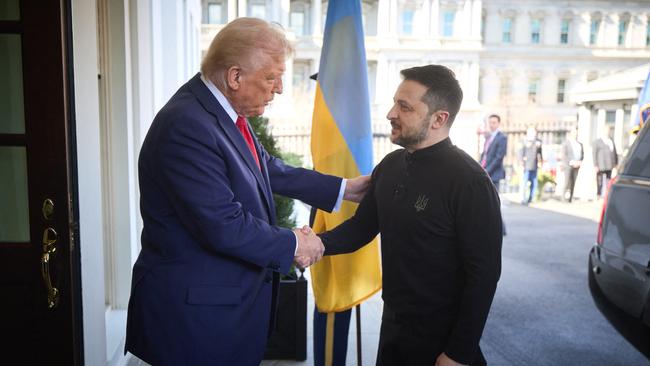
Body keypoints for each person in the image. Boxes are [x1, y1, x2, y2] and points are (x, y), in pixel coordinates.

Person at [125, 18, 369, 365]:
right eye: (271, 77)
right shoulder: (186, 125)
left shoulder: (218, 111)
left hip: (220, 312)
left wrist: (345, 189)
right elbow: (225, 225)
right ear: (235, 76)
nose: (280, 88)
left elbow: (265, 166)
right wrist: (297, 243)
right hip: (195, 322)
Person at [315, 65, 502, 366]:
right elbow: (359, 230)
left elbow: (484, 276)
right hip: (393, 333)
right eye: (394, 103)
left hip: (443, 344)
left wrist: (458, 352)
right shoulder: (389, 166)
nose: (391, 113)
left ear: (439, 119)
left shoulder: (471, 182)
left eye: (404, 107)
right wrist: (312, 244)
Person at [480, 114, 508, 190]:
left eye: (494, 122)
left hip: (494, 173)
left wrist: (488, 170)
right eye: (490, 122)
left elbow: (499, 157)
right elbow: (484, 153)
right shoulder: (488, 136)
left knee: (493, 198)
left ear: (498, 123)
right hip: (484, 170)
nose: (491, 125)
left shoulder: (502, 138)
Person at [520, 126, 543, 205]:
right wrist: (521, 162)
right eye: (531, 131)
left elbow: (540, 153)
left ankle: (531, 198)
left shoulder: (538, 141)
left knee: (534, 182)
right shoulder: (524, 141)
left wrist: (540, 161)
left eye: (534, 131)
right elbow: (520, 152)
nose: (533, 133)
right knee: (524, 182)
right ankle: (523, 199)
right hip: (526, 164)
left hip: (535, 164)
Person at [593, 125, 618, 199]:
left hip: (610, 165)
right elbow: (594, 153)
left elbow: (614, 153)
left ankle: (607, 195)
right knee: (600, 181)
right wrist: (595, 165)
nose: (608, 132)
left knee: (609, 180)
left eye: (609, 130)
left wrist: (616, 164)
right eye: (606, 130)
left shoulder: (611, 140)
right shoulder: (598, 141)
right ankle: (599, 194)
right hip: (601, 164)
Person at [561, 127, 583, 202]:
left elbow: (582, 155)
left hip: (577, 165)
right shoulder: (566, 143)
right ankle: (563, 198)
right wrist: (571, 162)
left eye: (576, 133)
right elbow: (564, 155)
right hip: (568, 165)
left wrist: (579, 162)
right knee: (567, 182)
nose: (575, 135)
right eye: (574, 133)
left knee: (573, 182)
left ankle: (570, 198)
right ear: (571, 134)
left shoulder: (579, 144)